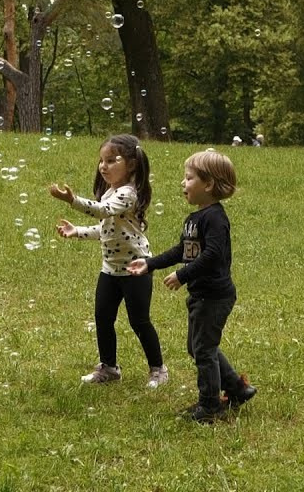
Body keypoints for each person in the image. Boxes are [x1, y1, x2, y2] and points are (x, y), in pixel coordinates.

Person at [127, 150, 255, 424]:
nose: (182, 183)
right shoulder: (193, 219)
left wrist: (182, 275)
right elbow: (181, 251)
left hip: (215, 296)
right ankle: (237, 388)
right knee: (198, 347)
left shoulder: (216, 219)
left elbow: (212, 255)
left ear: (208, 184)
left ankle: (209, 406)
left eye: (188, 178)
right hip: (201, 296)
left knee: (204, 350)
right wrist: (150, 264)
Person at [51, 134, 168, 388]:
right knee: (103, 318)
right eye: (101, 161)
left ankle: (158, 369)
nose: (103, 166)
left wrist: (73, 201)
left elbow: (102, 212)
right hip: (110, 270)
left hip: (136, 268)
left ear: (132, 164)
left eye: (111, 160)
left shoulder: (128, 194)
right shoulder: (111, 192)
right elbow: (106, 229)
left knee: (139, 321)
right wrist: (78, 231)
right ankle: (109, 367)